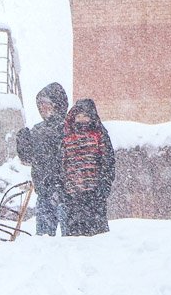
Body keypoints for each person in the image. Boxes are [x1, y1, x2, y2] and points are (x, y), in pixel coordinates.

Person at [16, 82, 69, 236]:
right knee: (43, 239)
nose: (42, 108)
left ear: (57, 104)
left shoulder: (68, 128)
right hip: (44, 192)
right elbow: (27, 158)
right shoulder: (37, 130)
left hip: (65, 193)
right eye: (40, 104)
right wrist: (22, 143)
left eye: (46, 103)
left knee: (69, 239)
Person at [61, 98, 115, 237]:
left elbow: (108, 161)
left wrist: (105, 184)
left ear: (91, 117)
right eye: (78, 116)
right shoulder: (67, 137)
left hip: (94, 192)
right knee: (74, 237)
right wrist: (62, 186)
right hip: (73, 193)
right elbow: (61, 162)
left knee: (97, 235)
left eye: (85, 116)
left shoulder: (99, 135)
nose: (81, 119)